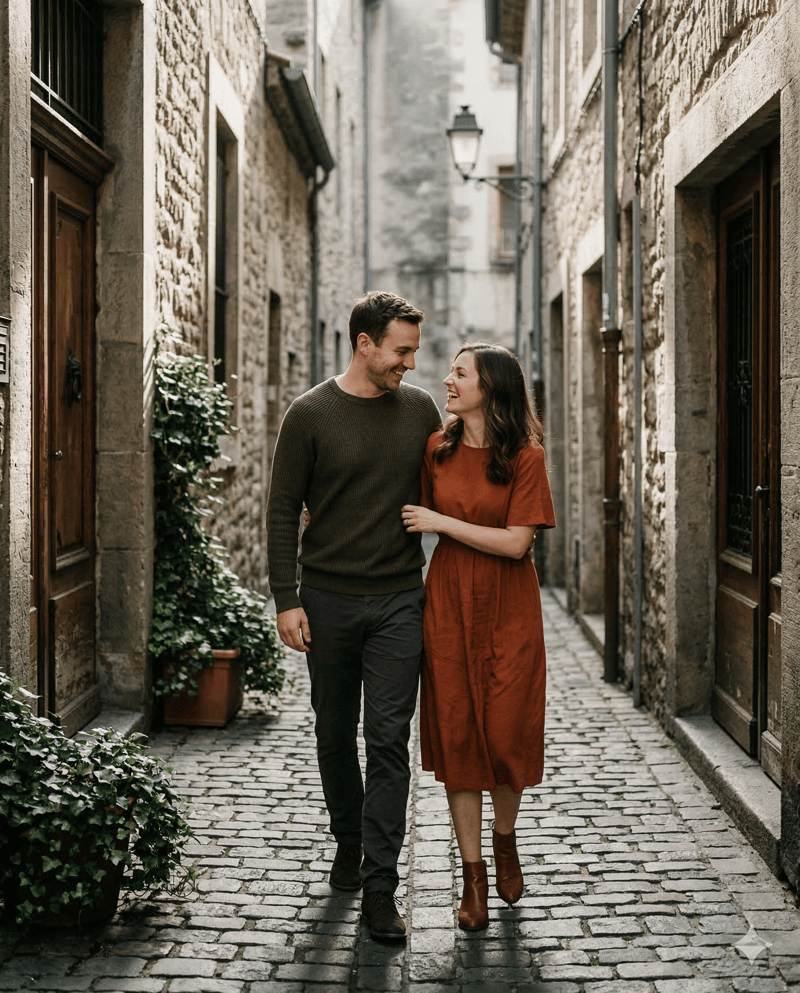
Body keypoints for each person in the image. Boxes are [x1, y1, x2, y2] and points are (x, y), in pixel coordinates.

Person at [266, 291, 442, 941]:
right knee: (334, 732)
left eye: (414, 352)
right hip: (327, 600)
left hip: (399, 598)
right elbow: (283, 507)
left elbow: (451, 483)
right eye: (401, 351)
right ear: (364, 344)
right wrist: (286, 597)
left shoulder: (421, 410)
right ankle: (348, 837)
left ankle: (380, 886)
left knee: (389, 738)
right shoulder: (309, 414)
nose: (410, 364)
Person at [401, 342, 555, 931]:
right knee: (459, 732)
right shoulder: (436, 449)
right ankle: (472, 876)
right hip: (448, 603)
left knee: (507, 731)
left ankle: (505, 838)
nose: (447, 379)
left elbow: (517, 543)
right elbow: (401, 507)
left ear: (489, 389)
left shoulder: (526, 457)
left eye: (460, 373)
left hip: (509, 605)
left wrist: (441, 522)